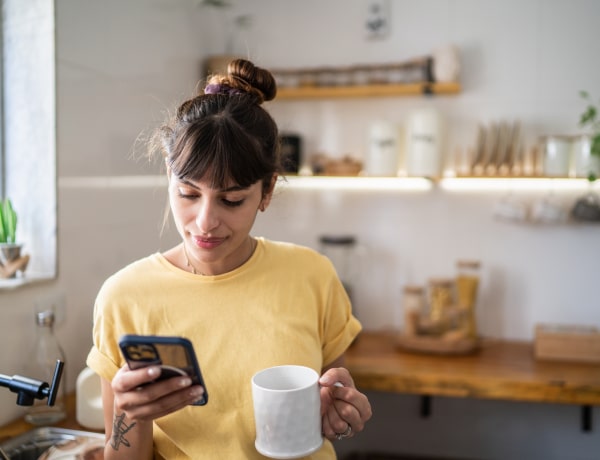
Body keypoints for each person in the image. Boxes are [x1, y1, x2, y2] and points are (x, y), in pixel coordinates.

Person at [86, 58, 372, 460]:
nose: (205, 222)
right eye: (188, 193)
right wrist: (132, 417)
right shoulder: (124, 296)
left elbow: (332, 396)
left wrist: (339, 412)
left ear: (267, 190)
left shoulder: (313, 275)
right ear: (169, 174)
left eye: (232, 199)